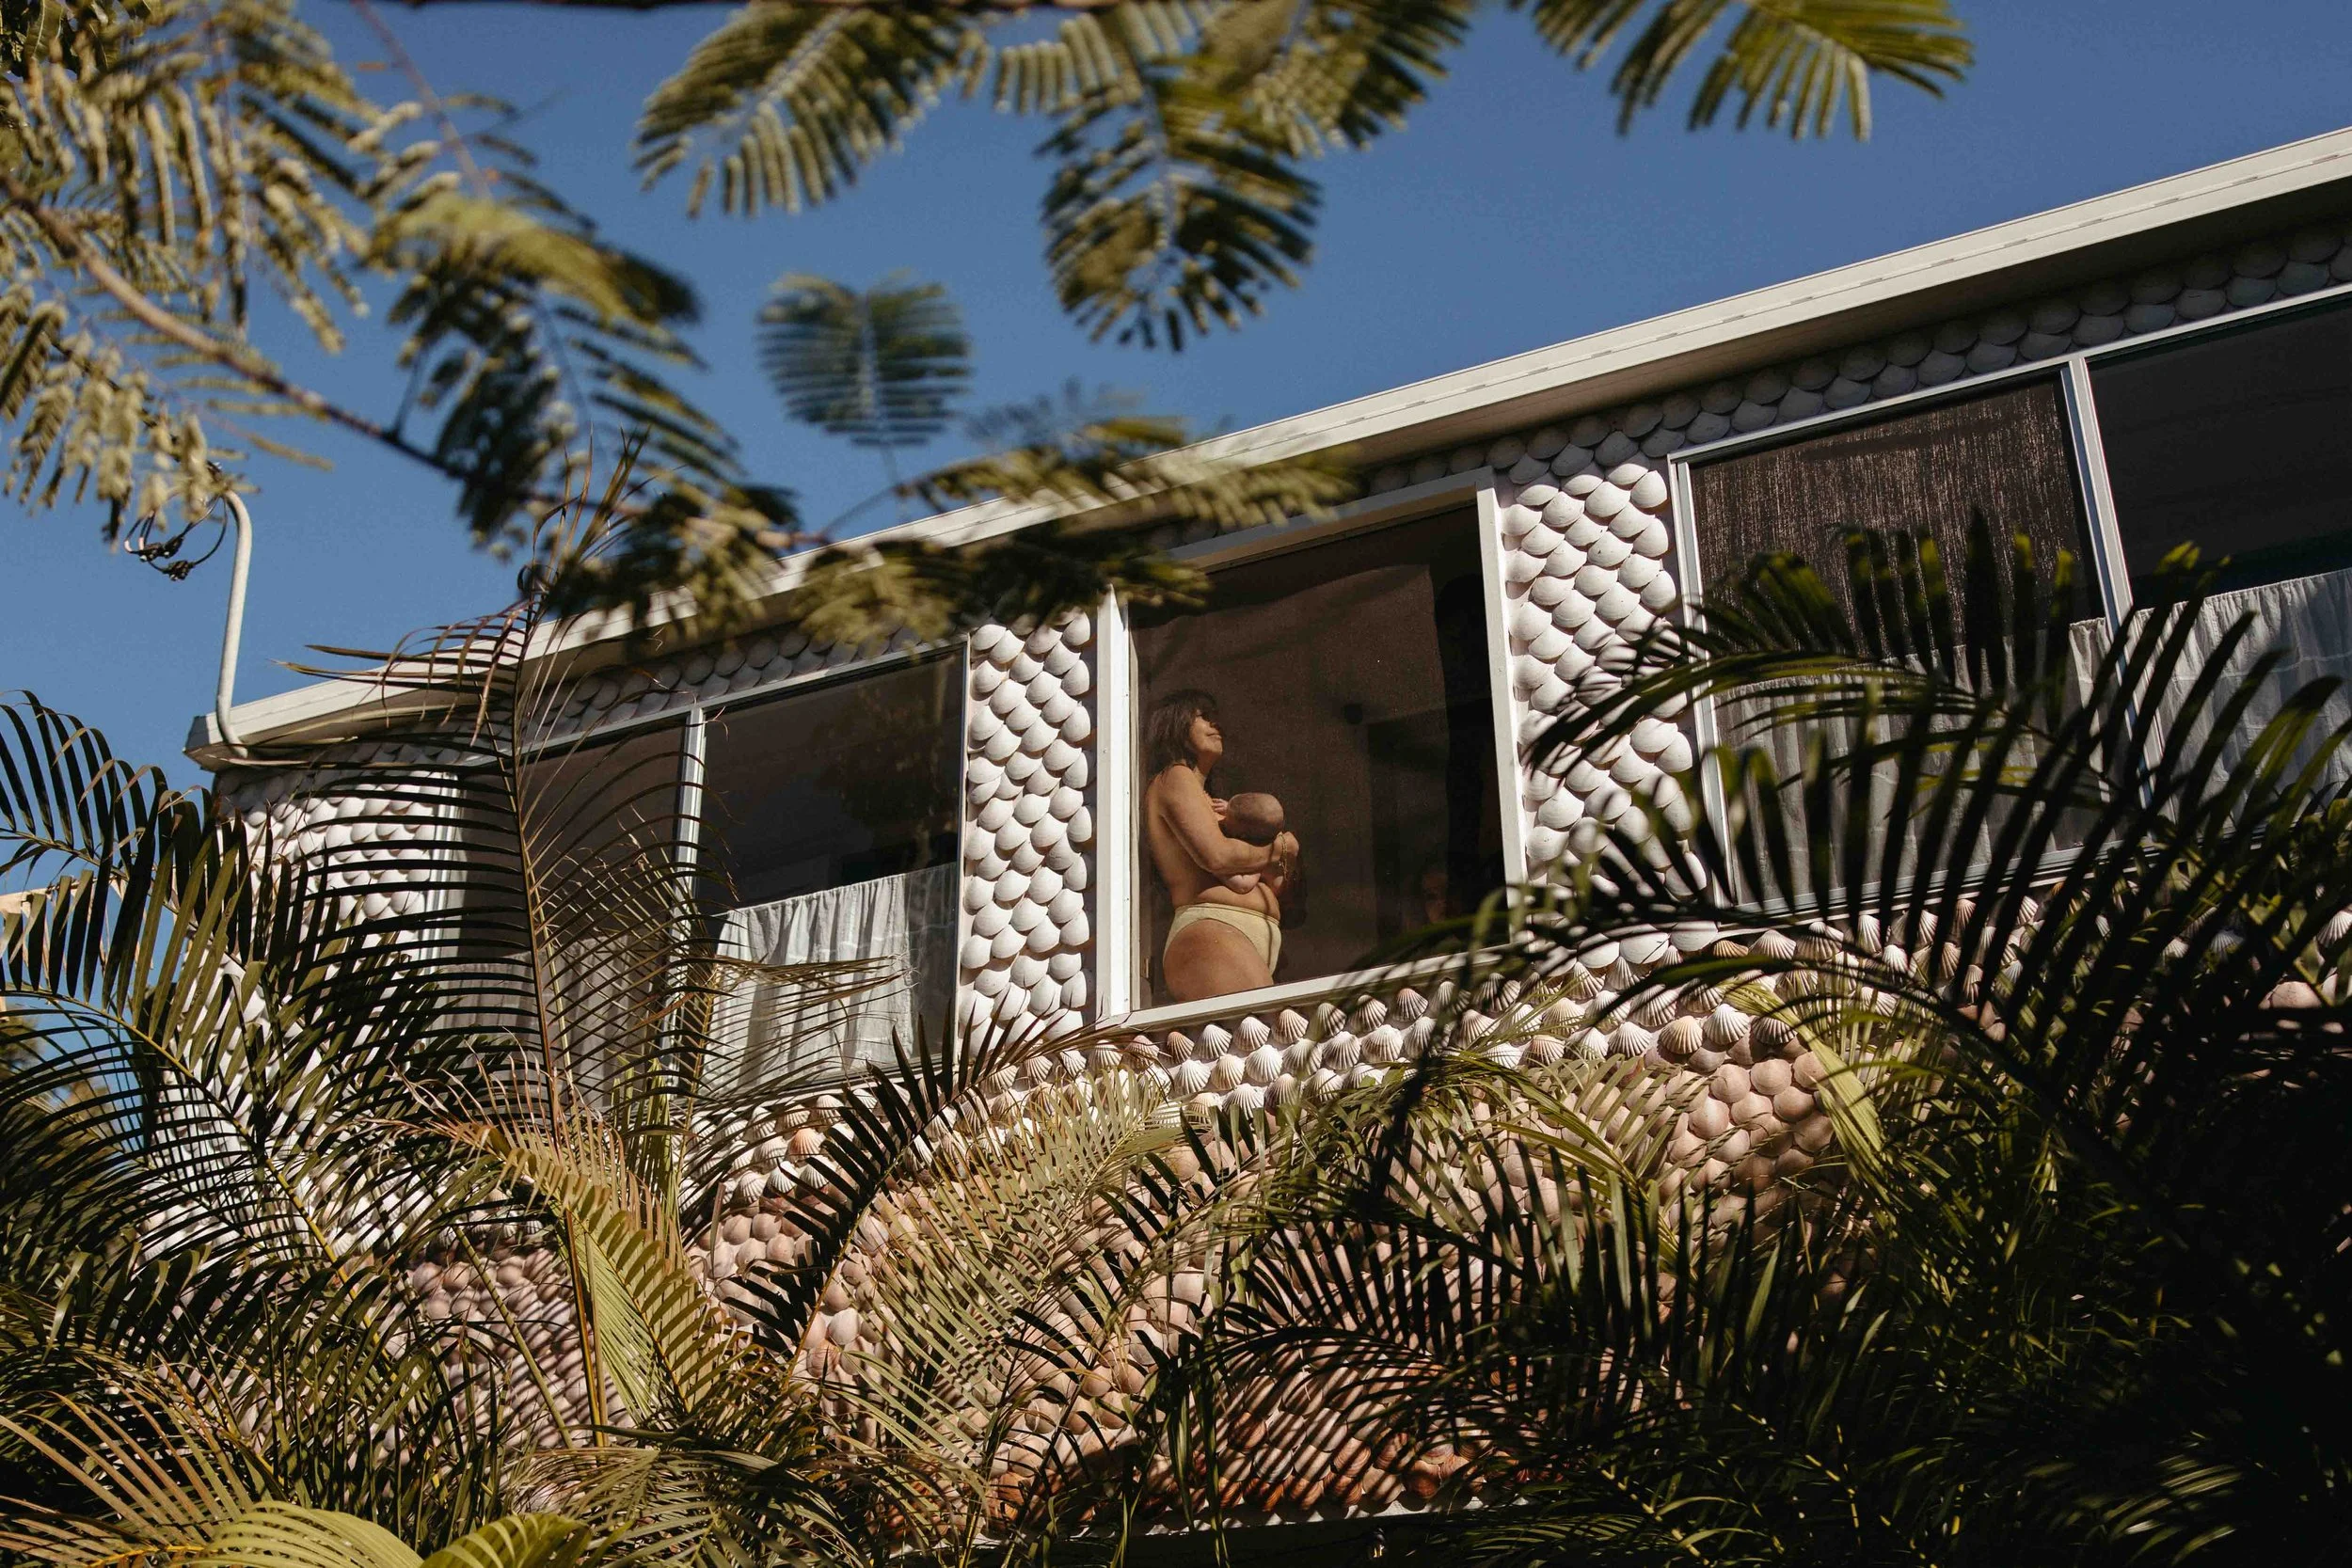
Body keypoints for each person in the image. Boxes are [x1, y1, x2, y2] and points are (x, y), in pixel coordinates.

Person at [1141, 691, 1301, 1002]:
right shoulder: (1176, 776)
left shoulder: (1214, 802)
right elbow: (1218, 857)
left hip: (1245, 934)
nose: (1216, 723)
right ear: (1175, 724)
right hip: (1213, 928)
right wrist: (1278, 849)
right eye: (1203, 715)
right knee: (1260, 1035)